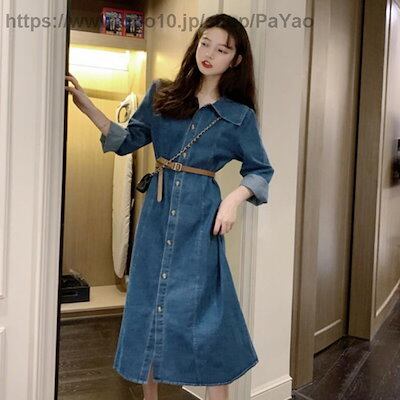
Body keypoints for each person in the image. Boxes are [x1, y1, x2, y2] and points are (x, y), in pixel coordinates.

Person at [65, 12, 274, 400]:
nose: (209, 53)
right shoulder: (163, 94)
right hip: (157, 218)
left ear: (236, 59)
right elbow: (128, 140)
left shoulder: (239, 117)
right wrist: (87, 105)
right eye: (205, 43)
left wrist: (233, 200)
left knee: (210, 314)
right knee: (149, 304)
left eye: (222, 49)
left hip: (202, 221)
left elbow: (260, 170)